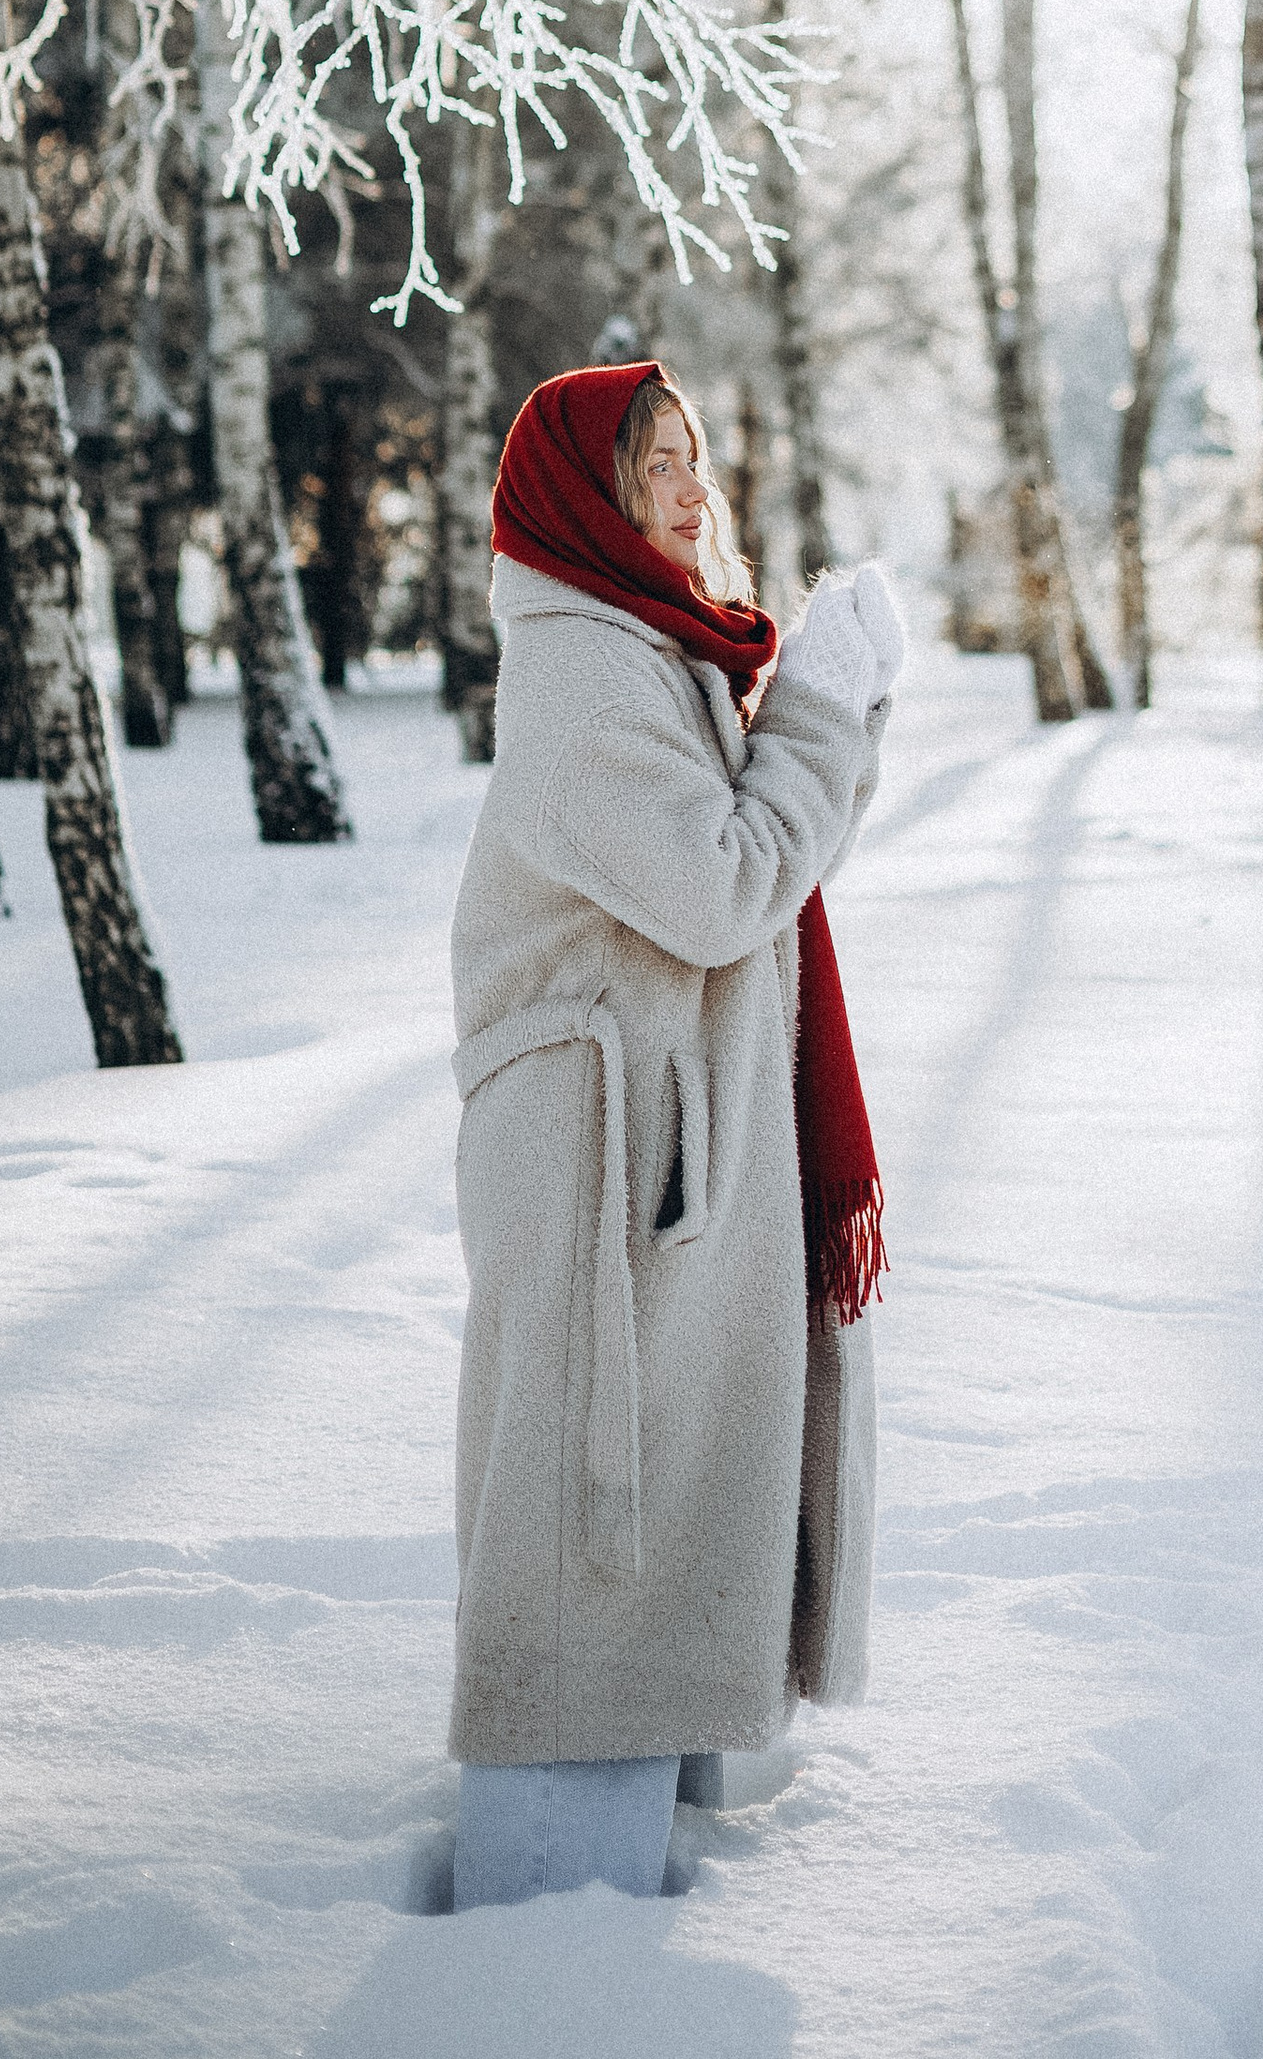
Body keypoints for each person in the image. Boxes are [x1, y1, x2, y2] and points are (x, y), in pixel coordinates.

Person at [445, 356, 900, 1910]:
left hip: (656, 1144)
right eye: (656, 468)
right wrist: (826, 710)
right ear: (586, 498)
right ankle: (545, 1924)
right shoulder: (583, 667)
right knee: (594, 1505)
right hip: (604, 1163)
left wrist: (807, 709)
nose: (694, 491)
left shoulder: (653, 646)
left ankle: (632, 1838)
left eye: (697, 457)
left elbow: (757, 870)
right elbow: (721, 886)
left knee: (651, 1494)